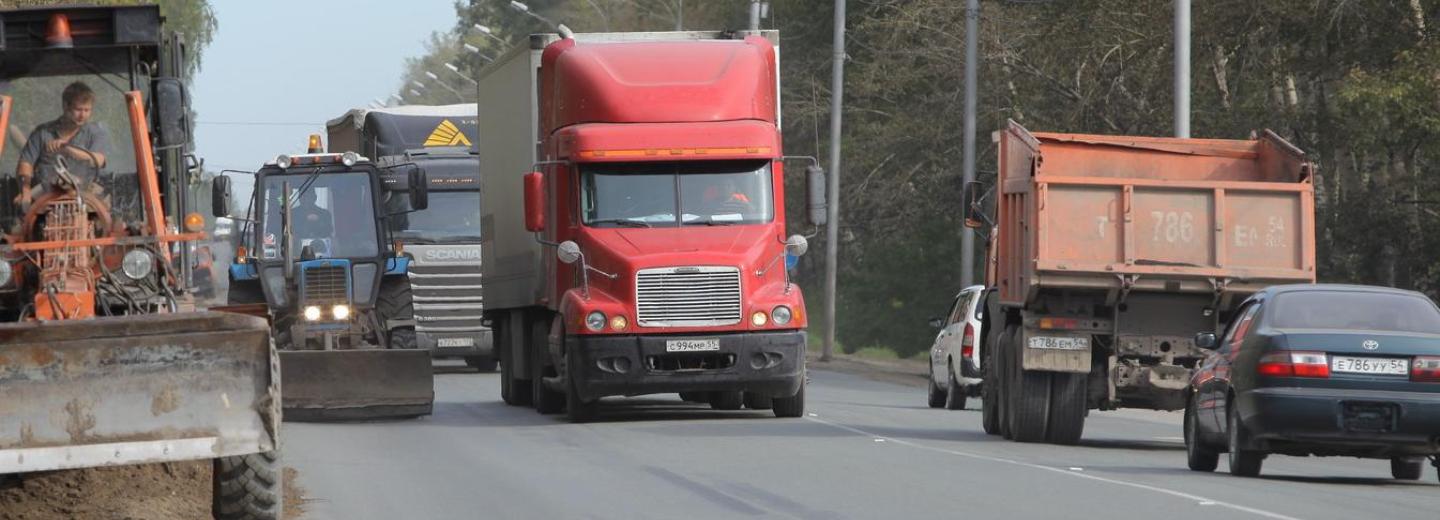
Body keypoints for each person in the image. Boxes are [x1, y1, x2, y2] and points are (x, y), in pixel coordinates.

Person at [13, 82, 109, 205]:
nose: (82, 115)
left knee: (104, 209)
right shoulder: (42, 133)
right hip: (46, 193)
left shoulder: (95, 132)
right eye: (78, 109)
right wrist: (25, 190)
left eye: (87, 110)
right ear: (65, 106)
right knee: (23, 206)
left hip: (84, 193)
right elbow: (26, 163)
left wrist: (67, 149)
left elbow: (98, 160)